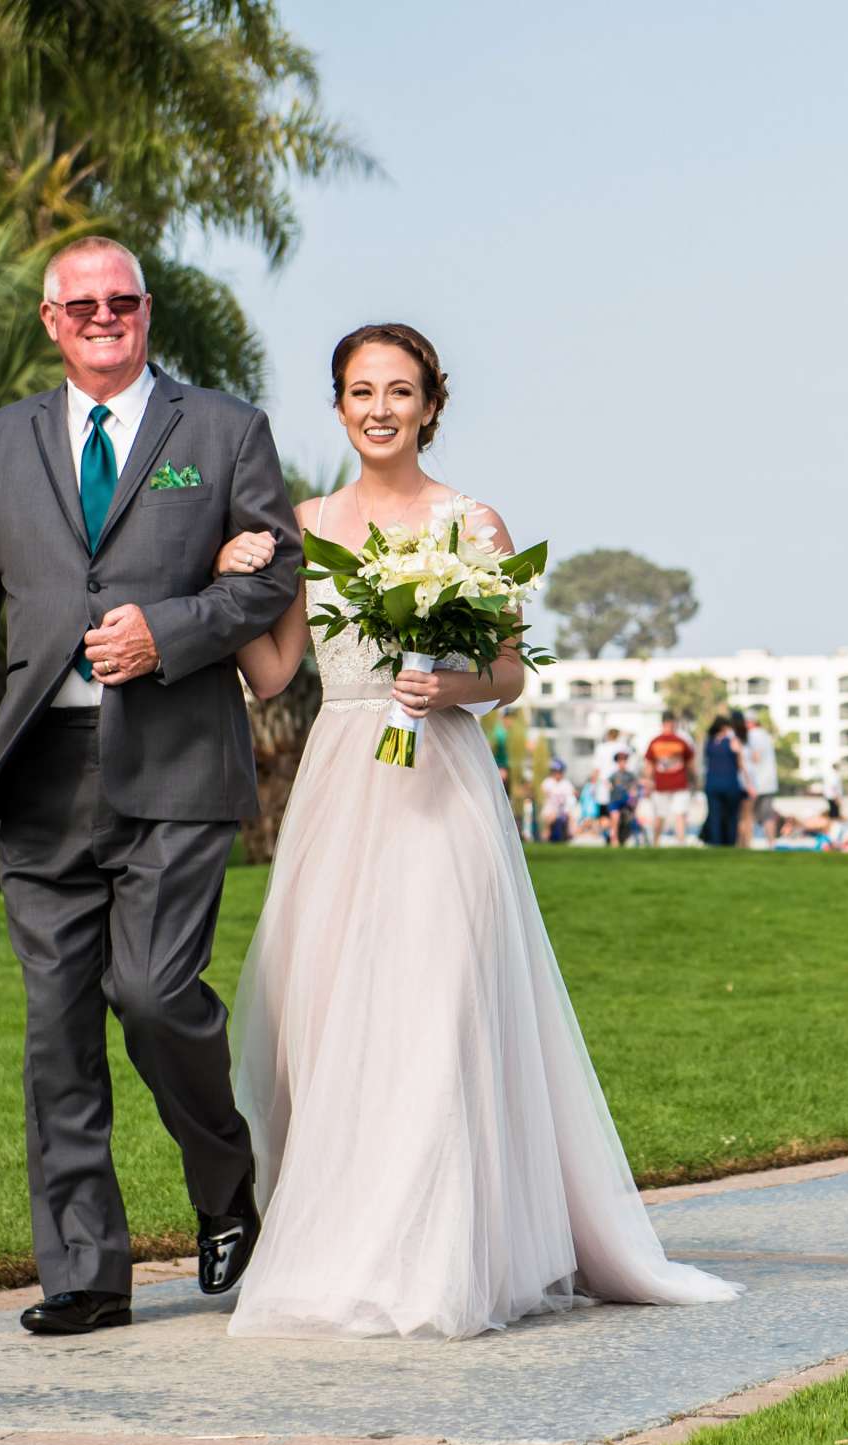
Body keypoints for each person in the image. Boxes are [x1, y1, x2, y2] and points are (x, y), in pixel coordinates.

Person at [205, 321, 737, 1338]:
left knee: (438, 999)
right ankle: (339, 1231)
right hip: (339, 783)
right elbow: (274, 672)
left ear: (432, 405)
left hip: (440, 782)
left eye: (399, 391)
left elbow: (506, 673)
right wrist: (234, 581)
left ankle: (442, 1252)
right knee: (320, 1008)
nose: (379, 408)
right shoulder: (304, 521)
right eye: (361, 390)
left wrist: (444, 681)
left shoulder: (470, 523)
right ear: (337, 404)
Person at [0, 237, 298, 1336]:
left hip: (175, 760)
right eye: (81, 304)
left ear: (145, 311)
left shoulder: (222, 431)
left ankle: (227, 1191)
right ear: (50, 318)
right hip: (39, 770)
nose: (103, 316)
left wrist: (169, 631)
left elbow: (273, 571)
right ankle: (85, 1270)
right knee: (56, 1027)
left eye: (121, 300)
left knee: (155, 992)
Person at [642, 712, 695, 846]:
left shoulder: (680, 741)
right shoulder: (657, 742)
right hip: (662, 784)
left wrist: (692, 779)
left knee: (679, 814)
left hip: (679, 783)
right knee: (662, 815)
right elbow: (649, 765)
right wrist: (648, 782)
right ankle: (656, 843)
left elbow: (689, 763)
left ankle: (680, 842)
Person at [701, 711, 748, 846]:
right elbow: (740, 764)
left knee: (714, 816)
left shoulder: (709, 743)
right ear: (724, 728)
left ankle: (716, 843)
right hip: (730, 784)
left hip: (712, 784)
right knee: (732, 816)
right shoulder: (733, 742)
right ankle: (730, 843)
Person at [744, 711, 780, 846]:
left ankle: (747, 844)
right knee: (768, 815)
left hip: (756, 783)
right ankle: (771, 844)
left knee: (748, 815)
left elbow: (755, 757)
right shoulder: (765, 735)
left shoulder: (753, 736)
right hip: (769, 783)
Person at [606, 750, 642, 845]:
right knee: (615, 818)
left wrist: (633, 793)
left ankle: (636, 839)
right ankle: (614, 839)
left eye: (624, 761)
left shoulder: (630, 775)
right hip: (615, 801)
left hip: (627, 801)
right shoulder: (613, 775)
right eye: (620, 761)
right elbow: (608, 784)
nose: (622, 763)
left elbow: (635, 787)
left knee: (633, 818)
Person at [540, 758, 578, 844]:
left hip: (563, 809)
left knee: (571, 817)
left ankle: (571, 837)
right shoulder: (548, 782)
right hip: (550, 809)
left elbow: (573, 794)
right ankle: (545, 837)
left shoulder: (566, 783)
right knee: (550, 817)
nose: (557, 774)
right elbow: (544, 793)